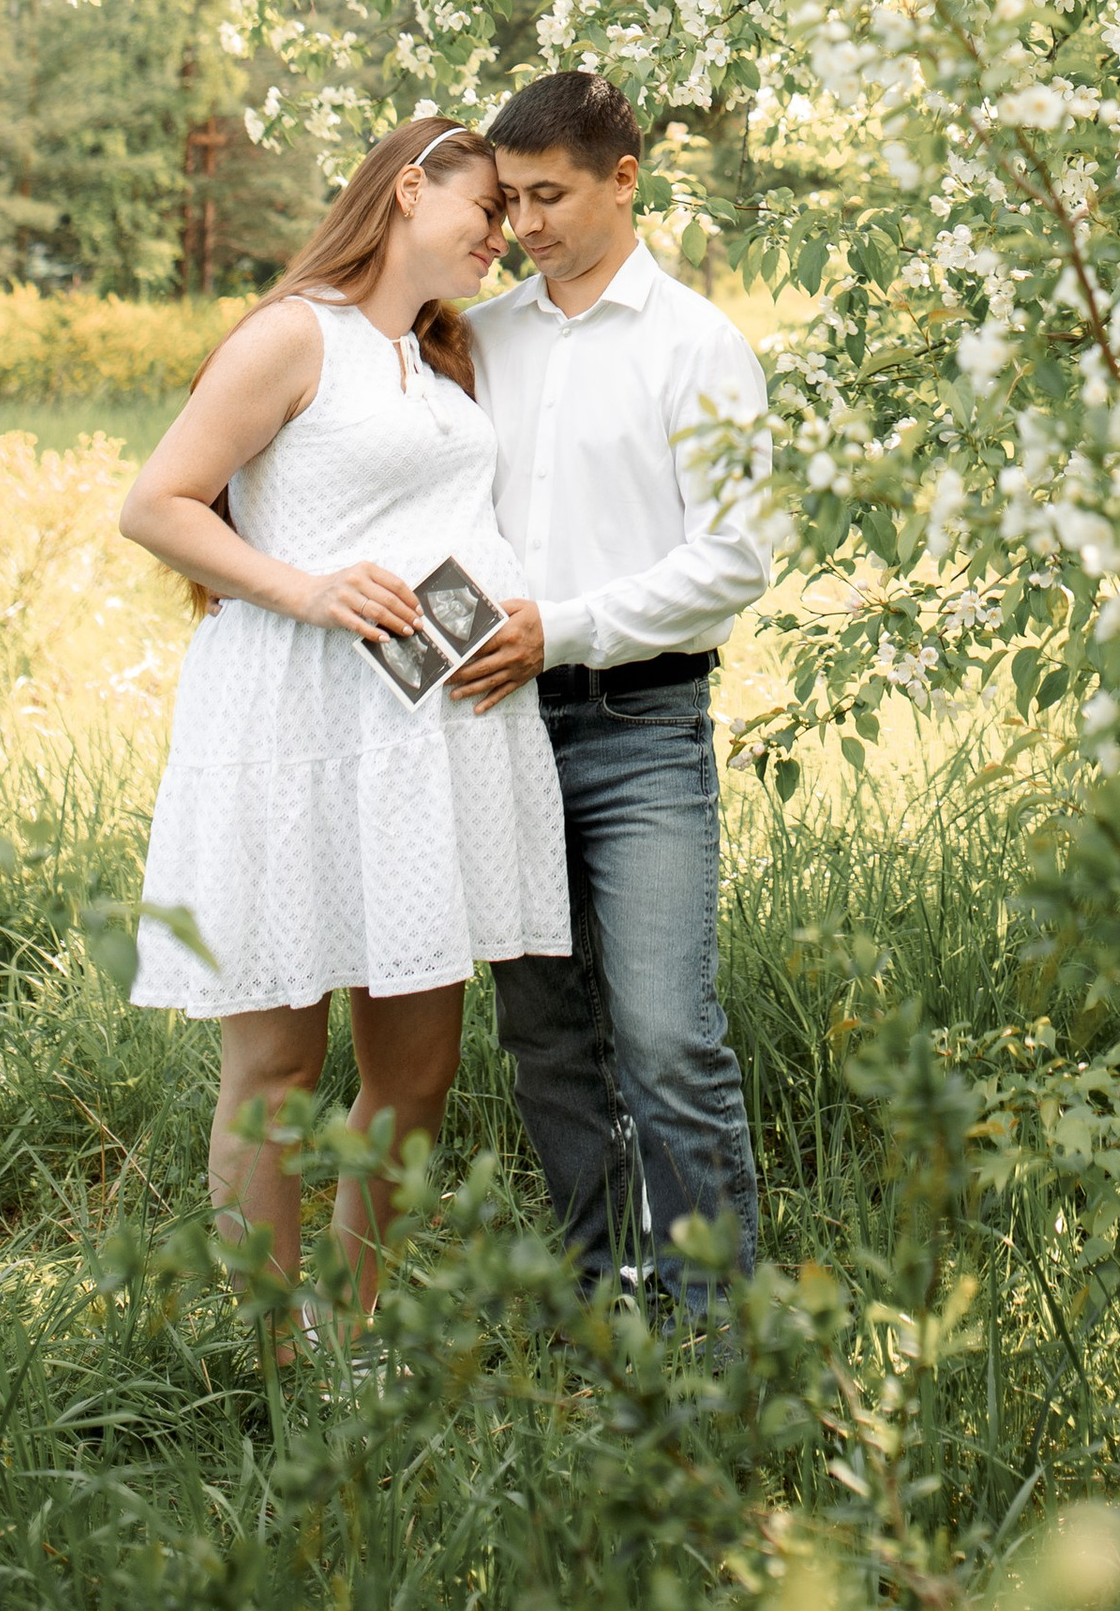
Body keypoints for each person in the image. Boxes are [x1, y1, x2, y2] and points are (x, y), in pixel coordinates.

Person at [118, 121, 571, 1326]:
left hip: (426, 744)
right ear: (408, 190)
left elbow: (461, 527)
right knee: (278, 1067)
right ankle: (264, 1357)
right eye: (485, 210)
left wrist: (513, 619)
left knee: (417, 1073)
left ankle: (347, 1323)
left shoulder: (436, 358)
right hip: (292, 732)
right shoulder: (294, 333)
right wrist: (310, 589)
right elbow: (156, 504)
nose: (503, 235)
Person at [443, 70, 769, 1310]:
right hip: (498, 727)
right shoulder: (483, 341)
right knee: (546, 1041)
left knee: (668, 1041)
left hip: (642, 731)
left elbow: (731, 560)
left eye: (548, 195)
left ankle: (719, 1329)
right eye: (509, 200)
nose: (521, 226)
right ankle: (598, 1296)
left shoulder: (699, 345)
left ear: (624, 180)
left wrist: (562, 631)